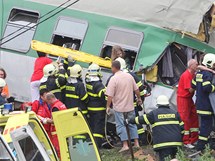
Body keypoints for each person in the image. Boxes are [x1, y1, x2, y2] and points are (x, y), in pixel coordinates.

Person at [127, 95, 184, 161]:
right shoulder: (175, 113)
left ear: (157, 104)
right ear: (167, 104)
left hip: (163, 145)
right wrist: (178, 139)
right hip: (176, 143)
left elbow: (141, 119)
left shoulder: (154, 114)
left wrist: (129, 120)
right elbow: (182, 129)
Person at [106, 60, 142, 152]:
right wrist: (139, 99)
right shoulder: (129, 76)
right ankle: (136, 143)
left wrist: (108, 107)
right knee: (132, 123)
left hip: (119, 107)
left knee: (121, 125)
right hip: (130, 106)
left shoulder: (113, 79)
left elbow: (110, 95)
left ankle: (125, 145)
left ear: (114, 67)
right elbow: (137, 90)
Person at [115, 57, 146, 144]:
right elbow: (141, 89)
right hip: (132, 104)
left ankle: (127, 142)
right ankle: (140, 141)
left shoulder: (115, 77)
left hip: (121, 106)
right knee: (134, 121)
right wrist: (141, 100)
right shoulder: (132, 75)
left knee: (122, 123)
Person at [191, 53, 215, 151]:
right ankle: (200, 147)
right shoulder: (207, 74)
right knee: (206, 127)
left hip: (200, 104)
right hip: (207, 106)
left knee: (205, 126)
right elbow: (207, 88)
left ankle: (205, 145)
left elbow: (193, 85)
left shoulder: (199, 73)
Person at [177, 59, 199, 148]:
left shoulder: (193, 75)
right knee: (185, 119)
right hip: (183, 99)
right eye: (196, 64)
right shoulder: (186, 75)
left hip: (189, 99)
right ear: (191, 66)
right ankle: (186, 141)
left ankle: (194, 139)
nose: (197, 66)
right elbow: (190, 89)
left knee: (194, 117)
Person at [85, 63, 106, 148]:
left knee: (93, 126)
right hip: (99, 109)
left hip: (90, 108)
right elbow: (103, 97)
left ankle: (91, 144)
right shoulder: (98, 84)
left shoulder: (88, 81)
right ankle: (97, 146)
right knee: (98, 128)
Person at [45, 92, 67, 158]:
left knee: (59, 151)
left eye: (47, 102)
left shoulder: (55, 107)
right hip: (63, 130)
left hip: (57, 132)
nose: (48, 104)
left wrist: (47, 120)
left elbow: (55, 121)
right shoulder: (61, 104)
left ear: (50, 99)